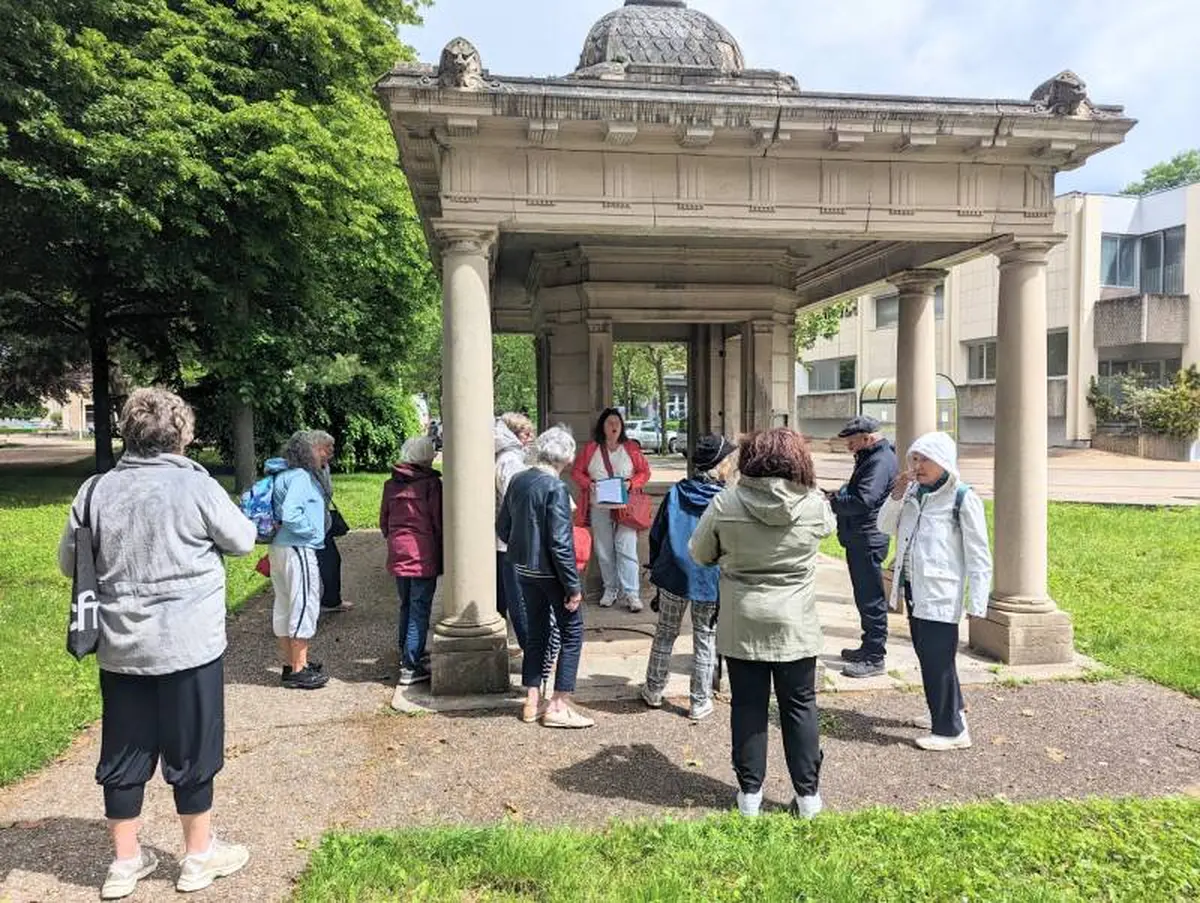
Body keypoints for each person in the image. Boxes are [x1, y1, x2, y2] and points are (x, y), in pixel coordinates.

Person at [57, 388, 256, 898]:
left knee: (123, 752)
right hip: (189, 644)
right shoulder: (196, 487)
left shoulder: (95, 491)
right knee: (193, 748)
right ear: (182, 435)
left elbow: (69, 562)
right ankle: (197, 857)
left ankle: (124, 864)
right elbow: (242, 539)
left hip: (122, 647)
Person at [690, 428, 835, 819]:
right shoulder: (813, 504)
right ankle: (809, 799)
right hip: (796, 623)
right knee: (800, 706)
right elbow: (828, 530)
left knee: (749, 706)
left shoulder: (726, 503)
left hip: (743, 620)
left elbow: (699, 553)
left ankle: (750, 796)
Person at [877, 431, 992, 751]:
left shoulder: (962, 498)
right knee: (929, 656)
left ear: (944, 461)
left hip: (942, 592)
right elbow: (884, 527)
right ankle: (945, 712)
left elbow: (979, 554)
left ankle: (951, 731)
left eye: (926, 459)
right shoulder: (913, 493)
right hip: (914, 587)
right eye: (915, 458)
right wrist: (896, 494)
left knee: (938, 659)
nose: (919, 465)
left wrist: (977, 602)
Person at [498, 426, 593, 729]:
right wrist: (573, 587)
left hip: (523, 568)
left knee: (537, 634)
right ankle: (558, 704)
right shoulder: (556, 488)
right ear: (566, 457)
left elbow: (503, 527)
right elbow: (561, 543)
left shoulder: (518, 480)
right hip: (551, 572)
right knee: (572, 633)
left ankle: (531, 700)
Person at [642, 434, 737, 721]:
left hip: (674, 573)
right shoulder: (726, 499)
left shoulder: (676, 492)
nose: (732, 464)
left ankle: (654, 689)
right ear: (718, 465)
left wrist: (655, 566)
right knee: (705, 637)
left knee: (665, 631)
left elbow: (657, 533)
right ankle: (699, 701)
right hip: (708, 575)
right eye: (728, 459)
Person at [827, 416, 898, 679]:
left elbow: (863, 500)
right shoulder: (873, 457)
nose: (850, 447)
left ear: (868, 438)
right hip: (863, 537)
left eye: (853, 442)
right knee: (865, 596)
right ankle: (868, 647)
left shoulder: (879, 461)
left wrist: (834, 500)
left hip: (868, 538)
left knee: (871, 599)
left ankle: (874, 657)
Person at [267, 430, 334, 690]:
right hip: (298, 547)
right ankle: (299, 669)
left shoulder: (281, 474)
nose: (327, 454)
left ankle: (291, 663)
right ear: (309, 450)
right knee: (304, 603)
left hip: (279, 547)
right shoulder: (300, 478)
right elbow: (291, 514)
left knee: (284, 604)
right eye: (322, 449)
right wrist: (311, 531)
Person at [571, 407, 652, 611]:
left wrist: (631, 483)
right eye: (609, 422)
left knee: (627, 548)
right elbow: (576, 472)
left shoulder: (631, 447)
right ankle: (610, 589)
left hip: (627, 507)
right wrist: (588, 483)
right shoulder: (591, 448)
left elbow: (644, 472)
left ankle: (631, 594)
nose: (614, 426)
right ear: (603, 426)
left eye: (617, 422)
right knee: (604, 549)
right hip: (599, 505)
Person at [380, 435, 443, 686]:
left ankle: (406, 652)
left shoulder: (390, 484)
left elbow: (384, 520)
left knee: (406, 604)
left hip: (398, 550)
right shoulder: (431, 485)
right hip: (423, 551)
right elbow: (439, 522)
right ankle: (411, 665)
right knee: (420, 608)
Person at [494, 413, 535, 648]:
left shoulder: (506, 458)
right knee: (520, 600)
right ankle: (532, 655)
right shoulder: (510, 460)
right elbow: (517, 499)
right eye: (524, 433)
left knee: (507, 599)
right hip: (512, 541)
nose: (529, 437)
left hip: (504, 540)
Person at [312, 430, 353, 614]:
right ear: (317, 448)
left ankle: (331, 600)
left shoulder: (324, 466)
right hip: (311, 527)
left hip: (323, 523)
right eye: (328, 447)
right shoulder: (306, 470)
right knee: (320, 565)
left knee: (332, 561)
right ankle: (313, 608)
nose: (332, 450)